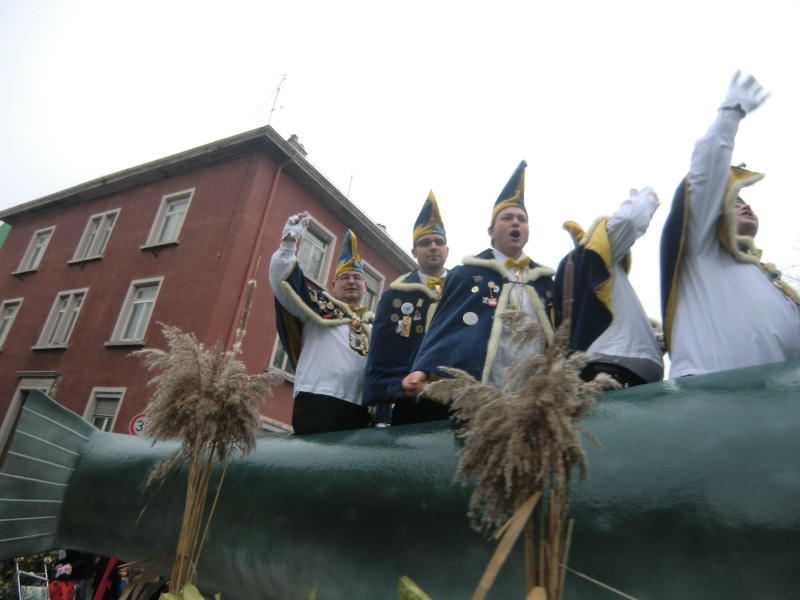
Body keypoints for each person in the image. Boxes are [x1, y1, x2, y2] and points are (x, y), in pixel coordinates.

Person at [661, 71, 800, 377]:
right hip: (711, 391)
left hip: (774, 398)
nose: (745, 205)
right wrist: (730, 113)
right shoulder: (702, 248)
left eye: (746, 202)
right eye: (734, 203)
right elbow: (705, 175)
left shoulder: (767, 278)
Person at [403, 160, 559, 394]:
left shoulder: (544, 283)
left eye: (522, 219)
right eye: (507, 218)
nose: (515, 222)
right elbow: (445, 327)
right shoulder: (466, 275)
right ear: (491, 232)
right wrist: (423, 370)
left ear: (528, 231)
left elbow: (559, 340)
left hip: (533, 397)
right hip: (481, 396)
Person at [270, 213, 372, 434]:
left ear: (365, 287)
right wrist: (288, 245)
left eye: (357, 277)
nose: (352, 281)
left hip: (360, 408)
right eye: (345, 277)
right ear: (333, 285)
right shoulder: (317, 306)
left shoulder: (372, 327)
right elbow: (285, 285)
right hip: (319, 399)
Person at [555, 187, 664, 387]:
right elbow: (629, 220)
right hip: (612, 369)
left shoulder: (595, 277)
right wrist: (648, 196)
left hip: (611, 371)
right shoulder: (595, 253)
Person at [363, 191, 450, 425]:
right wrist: (395, 386)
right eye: (425, 243)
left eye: (439, 242)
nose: (433, 247)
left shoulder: (464, 289)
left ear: (447, 250)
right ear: (414, 251)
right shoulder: (396, 296)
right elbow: (379, 356)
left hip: (460, 402)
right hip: (413, 404)